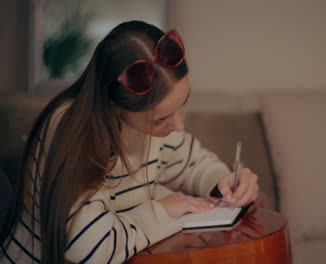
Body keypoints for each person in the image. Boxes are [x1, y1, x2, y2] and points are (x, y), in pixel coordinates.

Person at [0, 20, 259, 264]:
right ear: (115, 106)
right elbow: (92, 249)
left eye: (182, 107)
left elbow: (193, 162)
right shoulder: (70, 132)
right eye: (161, 120)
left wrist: (224, 180)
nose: (178, 127)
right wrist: (162, 211)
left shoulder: (143, 123)